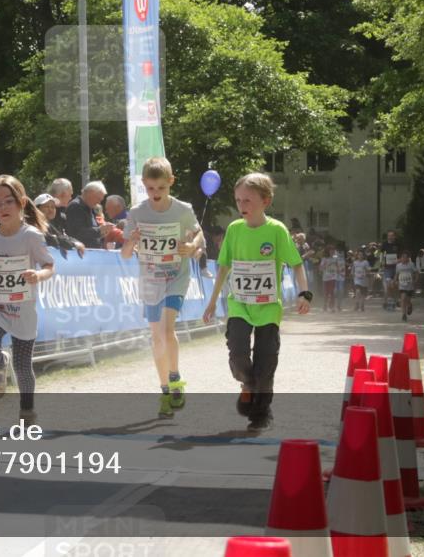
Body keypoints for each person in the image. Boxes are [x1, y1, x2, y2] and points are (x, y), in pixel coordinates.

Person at [202, 172, 311, 432]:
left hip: (268, 309)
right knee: (238, 353)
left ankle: (261, 414)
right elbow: (223, 267)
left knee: (266, 363)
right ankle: (248, 384)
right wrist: (212, 301)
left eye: (248, 200)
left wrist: (304, 293)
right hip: (239, 305)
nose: (242, 206)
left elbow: (296, 264)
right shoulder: (234, 229)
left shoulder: (276, 230)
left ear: (266, 201)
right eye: (238, 200)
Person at [121, 158, 203, 418]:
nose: (155, 194)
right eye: (150, 189)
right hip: (150, 280)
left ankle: (175, 378)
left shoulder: (183, 209)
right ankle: (165, 389)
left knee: (167, 330)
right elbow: (125, 254)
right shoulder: (137, 212)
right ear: (144, 184)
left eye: (161, 188)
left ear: (171, 182)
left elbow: (198, 233)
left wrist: (192, 246)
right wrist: (132, 241)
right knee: (156, 336)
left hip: (176, 277)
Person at [0, 175, 55, 424]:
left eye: (8, 201)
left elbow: (50, 265)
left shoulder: (31, 236)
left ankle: (27, 411)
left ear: (21, 203)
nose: (3, 208)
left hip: (22, 309)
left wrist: (38, 275)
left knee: (22, 366)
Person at [33, 193, 85, 258]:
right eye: (47, 206)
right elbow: (52, 240)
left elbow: (60, 236)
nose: (51, 209)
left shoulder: (47, 224)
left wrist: (75, 242)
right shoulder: (34, 224)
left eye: (53, 207)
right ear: (37, 209)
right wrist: (73, 244)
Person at [66, 181, 114, 249]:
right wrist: (100, 230)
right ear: (89, 193)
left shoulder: (89, 207)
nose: (99, 202)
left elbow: (92, 231)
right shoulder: (75, 206)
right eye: (98, 199)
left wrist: (103, 233)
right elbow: (77, 233)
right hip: (81, 252)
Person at [395, 250, 418, 322]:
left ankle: (410, 305)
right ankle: (404, 315)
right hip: (402, 285)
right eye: (402, 257)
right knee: (403, 298)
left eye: (405, 257)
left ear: (408, 258)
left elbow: (416, 272)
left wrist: (415, 280)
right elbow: (397, 274)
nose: (404, 258)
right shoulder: (398, 266)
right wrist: (395, 281)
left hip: (409, 285)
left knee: (407, 300)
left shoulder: (411, 265)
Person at [320, 244, 339, 312]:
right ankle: (325, 305)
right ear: (328, 251)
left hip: (333, 277)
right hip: (325, 278)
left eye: (333, 250)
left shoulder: (335, 258)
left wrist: (338, 271)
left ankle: (332, 307)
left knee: (332, 292)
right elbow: (320, 268)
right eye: (331, 250)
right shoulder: (324, 259)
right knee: (326, 293)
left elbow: (338, 267)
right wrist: (325, 265)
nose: (332, 251)